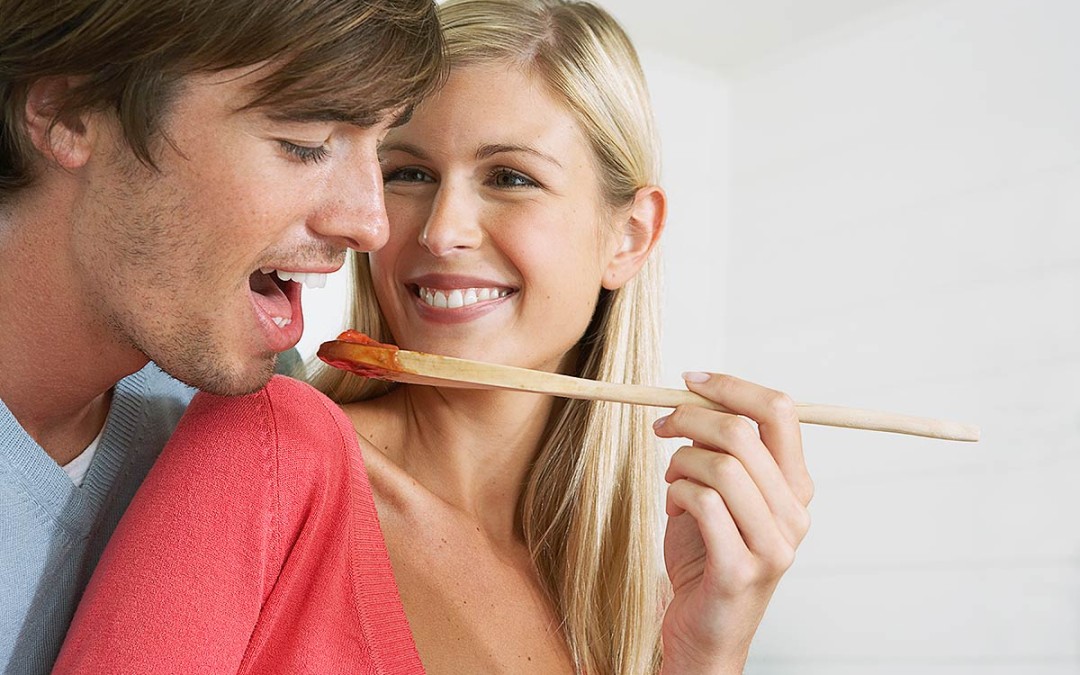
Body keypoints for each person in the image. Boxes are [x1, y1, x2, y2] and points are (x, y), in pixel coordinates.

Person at [55, 0, 813, 672]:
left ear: (630, 234)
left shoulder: (630, 604)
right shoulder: (268, 447)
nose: (441, 231)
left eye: (510, 177)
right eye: (408, 173)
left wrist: (706, 656)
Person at [0, 0, 444, 672]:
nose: (370, 225)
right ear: (68, 114)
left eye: (380, 146)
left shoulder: (254, 431)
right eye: (307, 140)